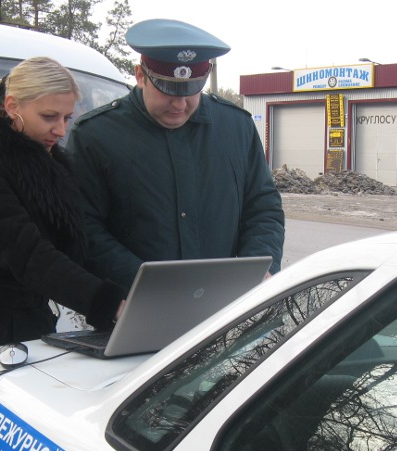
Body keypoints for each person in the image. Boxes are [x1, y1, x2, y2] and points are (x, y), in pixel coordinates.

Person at [0, 57, 125, 408]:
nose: (61, 130)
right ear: (12, 107)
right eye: (49, 117)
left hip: (32, 333)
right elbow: (30, 255)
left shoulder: (46, 168)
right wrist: (108, 302)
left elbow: (73, 250)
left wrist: (130, 289)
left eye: (67, 118)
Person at [67, 19, 285, 291]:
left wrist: (259, 266)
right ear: (140, 76)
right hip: (134, 302)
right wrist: (147, 282)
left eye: (191, 91)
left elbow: (263, 206)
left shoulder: (236, 127)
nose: (180, 104)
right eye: (167, 90)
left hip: (224, 300)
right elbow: (83, 226)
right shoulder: (96, 135)